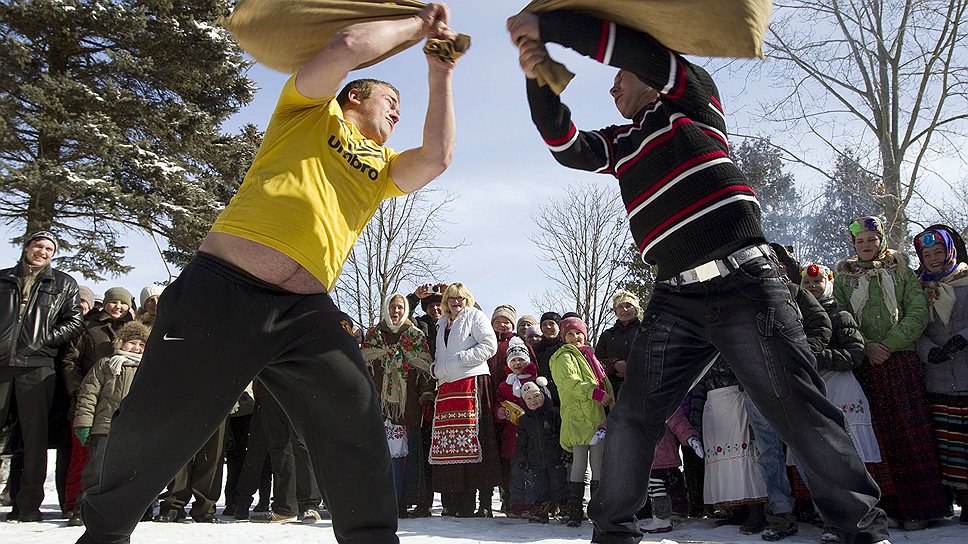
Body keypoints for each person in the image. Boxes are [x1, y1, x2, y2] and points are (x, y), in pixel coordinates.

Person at [76, 5, 459, 544]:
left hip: (305, 314)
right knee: (158, 426)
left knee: (355, 420)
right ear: (355, 96)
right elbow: (347, 44)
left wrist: (440, 72)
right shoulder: (308, 112)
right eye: (390, 102)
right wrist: (418, 26)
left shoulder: (383, 168)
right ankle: (103, 535)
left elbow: (439, 156)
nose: (397, 115)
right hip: (221, 292)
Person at [507, 10, 889, 544]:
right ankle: (613, 534)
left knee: (798, 408)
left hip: (747, 284)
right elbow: (564, 143)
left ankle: (864, 532)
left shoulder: (693, 101)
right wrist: (535, 71)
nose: (613, 85)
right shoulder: (620, 145)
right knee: (632, 420)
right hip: (674, 300)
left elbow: (637, 50)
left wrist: (554, 25)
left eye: (620, 77)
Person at [834, 216, 948, 530]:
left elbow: (918, 311)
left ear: (881, 239)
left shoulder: (902, 272)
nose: (866, 246)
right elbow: (842, 317)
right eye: (860, 241)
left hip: (901, 363)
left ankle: (920, 508)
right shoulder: (844, 278)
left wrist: (888, 343)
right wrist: (867, 346)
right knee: (877, 436)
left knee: (910, 433)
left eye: (871, 239)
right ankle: (889, 507)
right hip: (866, 367)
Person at [0, 231, 84, 522]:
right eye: (38, 246)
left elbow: (75, 320)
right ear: (26, 247)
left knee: (34, 439)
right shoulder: (3, 279)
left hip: (37, 367)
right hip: (0, 365)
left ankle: (28, 505)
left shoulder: (63, 283)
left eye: (49, 248)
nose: (43, 251)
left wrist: (44, 340)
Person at [428, 283, 501, 517]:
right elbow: (440, 354)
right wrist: (437, 368)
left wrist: (460, 361)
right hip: (448, 385)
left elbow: (490, 346)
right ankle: (457, 503)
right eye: (451, 299)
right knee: (451, 445)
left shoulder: (475, 316)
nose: (456, 302)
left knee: (476, 441)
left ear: (467, 299)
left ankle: (484, 502)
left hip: (472, 381)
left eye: (460, 298)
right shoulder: (441, 324)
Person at [361, 293, 433, 518]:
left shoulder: (415, 335)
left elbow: (424, 368)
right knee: (380, 454)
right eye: (392, 307)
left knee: (404, 456)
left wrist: (426, 395)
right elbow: (364, 365)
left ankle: (403, 500)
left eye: (400, 307)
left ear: (406, 310)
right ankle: (379, 499)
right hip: (377, 404)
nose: (396, 311)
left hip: (407, 405)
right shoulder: (374, 335)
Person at [913, 226, 968, 522]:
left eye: (938, 252)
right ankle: (960, 494)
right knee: (949, 441)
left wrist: (964, 336)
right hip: (939, 376)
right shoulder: (918, 286)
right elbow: (915, 323)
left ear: (950, 251)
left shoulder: (966, 278)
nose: (933, 259)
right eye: (927, 254)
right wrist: (927, 349)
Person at [71, 321, 150, 526]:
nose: (136, 348)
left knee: (129, 473)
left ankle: (124, 512)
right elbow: (88, 395)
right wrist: (84, 423)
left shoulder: (148, 369)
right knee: (96, 472)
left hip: (134, 430)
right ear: (121, 342)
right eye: (132, 343)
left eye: (141, 345)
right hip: (104, 427)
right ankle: (84, 509)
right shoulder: (105, 365)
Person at [550, 315, 614, 527]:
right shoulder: (563, 356)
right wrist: (595, 394)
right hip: (577, 416)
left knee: (598, 463)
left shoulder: (590, 356)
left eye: (579, 333)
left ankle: (598, 509)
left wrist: (611, 405)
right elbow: (570, 382)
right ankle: (574, 510)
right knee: (579, 463)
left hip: (596, 415)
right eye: (570, 333)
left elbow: (604, 382)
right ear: (563, 336)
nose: (575, 337)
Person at [494, 336, 541, 517]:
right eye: (513, 360)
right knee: (515, 472)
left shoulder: (535, 380)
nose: (517, 363)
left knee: (530, 471)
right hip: (512, 435)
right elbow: (498, 402)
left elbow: (542, 401)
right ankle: (516, 503)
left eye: (521, 359)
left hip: (531, 436)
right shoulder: (505, 384)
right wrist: (500, 412)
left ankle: (531, 504)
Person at [515, 377, 567, 524]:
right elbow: (521, 442)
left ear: (543, 394)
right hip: (536, 461)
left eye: (536, 395)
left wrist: (566, 452)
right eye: (529, 398)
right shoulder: (524, 421)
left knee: (559, 485)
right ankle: (542, 510)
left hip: (556, 458)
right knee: (540, 487)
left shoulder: (554, 414)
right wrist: (522, 459)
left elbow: (562, 434)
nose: (533, 400)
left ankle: (564, 508)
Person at [595, 290, 643, 399]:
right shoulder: (607, 335)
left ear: (636, 309)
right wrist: (614, 364)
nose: (625, 310)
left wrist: (631, 368)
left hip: (642, 388)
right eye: (620, 306)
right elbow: (597, 361)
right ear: (616, 311)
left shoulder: (646, 332)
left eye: (628, 306)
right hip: (614, 390)